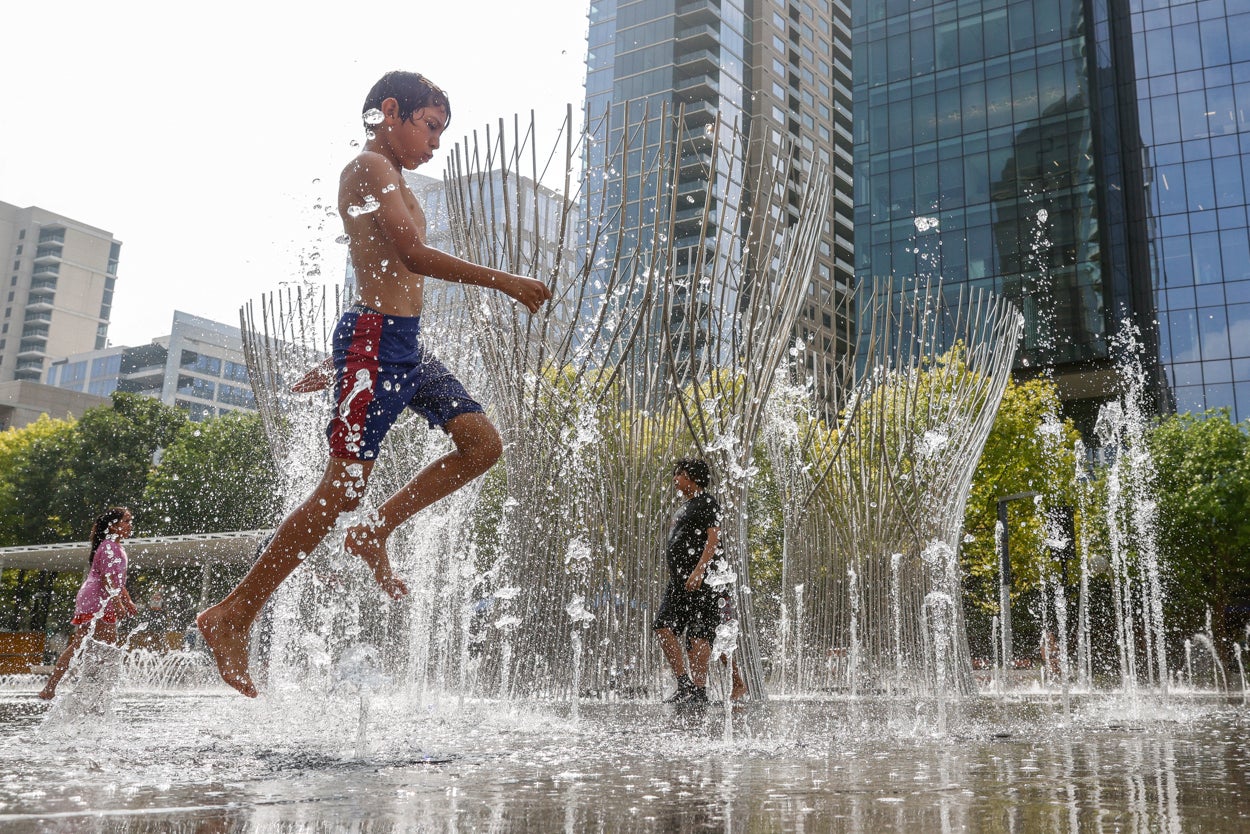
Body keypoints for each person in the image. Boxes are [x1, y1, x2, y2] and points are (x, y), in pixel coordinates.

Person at [196, 71, 551, 697]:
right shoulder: (367, 168)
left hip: (402, 346)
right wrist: (507, 281)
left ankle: (377, 527)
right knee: (338, 489)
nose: (436, 145)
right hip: (377, 341)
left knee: (482, 445)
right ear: (391, 111)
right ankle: (233, 613)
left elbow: (386, 272)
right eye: (431, 127)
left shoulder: (393, 178)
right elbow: (409, 256)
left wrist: (341, 367)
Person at [654, 457, 734, 706]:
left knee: (699, 636)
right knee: (662, 627)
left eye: (680, 473)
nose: (675, 478)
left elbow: (713, 539)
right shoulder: (683, 507)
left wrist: (699, 571)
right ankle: (684, 683)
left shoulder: (707, 502)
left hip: (703, 582)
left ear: (692, 477)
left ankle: (698, 692)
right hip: (679, 583)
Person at [38, 507, 138, 700]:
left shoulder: (116, 547)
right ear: (114, 526)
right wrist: (118, 602)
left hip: (100, 597)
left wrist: (127, 600)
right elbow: (108, 577)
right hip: (98, 599)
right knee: (105, 646)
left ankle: (53, 688)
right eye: (126, 521)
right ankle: (95, 691)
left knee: (87, 644)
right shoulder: (109, 547)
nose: (130, 525)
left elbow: (117, 580)